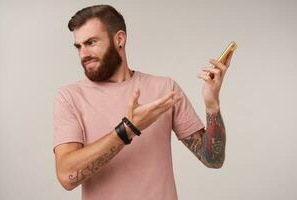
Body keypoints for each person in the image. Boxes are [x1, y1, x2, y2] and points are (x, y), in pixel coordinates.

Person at [53, 4, 232, 200]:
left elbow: (213, 159)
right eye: (79, 46)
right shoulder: (70, 97)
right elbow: (66, 176)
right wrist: (127, 129)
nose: (83, 54)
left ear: (119, 39)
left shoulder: (165, 89)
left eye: (91, 42)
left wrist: (212, 105)